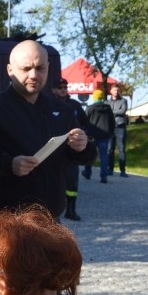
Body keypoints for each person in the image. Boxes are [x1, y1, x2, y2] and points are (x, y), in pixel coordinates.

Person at [0, 40, 95, 217]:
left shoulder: (63, 110)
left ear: (48, 67)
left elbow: (85, 156)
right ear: (10, 70)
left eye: (40, 68)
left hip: (50, 218)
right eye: (26, 68)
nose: (34, 74)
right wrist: (9, 164)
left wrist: (83, 146)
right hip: (6, 218)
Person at [51, 77, 90, 220]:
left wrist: (81, 134)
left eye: (65, 87)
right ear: (53, 90)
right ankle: (54, 212)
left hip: (71, 150)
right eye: (60, 87)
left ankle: (71, 209)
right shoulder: (47, 105)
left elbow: (85, 124)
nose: (63, 90)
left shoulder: (74, 105)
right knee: (54, 182)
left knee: (72, 181)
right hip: (53, 150)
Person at [82, 89, 115, 183]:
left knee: (90, 154)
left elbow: (84, 122)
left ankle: (87, 172)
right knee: (104, 155)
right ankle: (104, 176)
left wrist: (86, 133)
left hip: (92, 136)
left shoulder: (90, 108)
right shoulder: (108, 108)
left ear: (94, 97)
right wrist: (110, 133)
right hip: (104, 135)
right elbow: (112, 122)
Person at [107, 84, 129, 177]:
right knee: (110, 149)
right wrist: (115, 111)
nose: (116, 92)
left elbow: (122, 111)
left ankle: (122, 170)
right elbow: (106, 112)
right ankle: (110, 169)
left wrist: (112, 111)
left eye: (117, 90)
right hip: (110, 127)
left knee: (121, 148)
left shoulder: (124, 101)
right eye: (114, 90)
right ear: (111, 91)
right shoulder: (107, 102)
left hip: (120, 126)